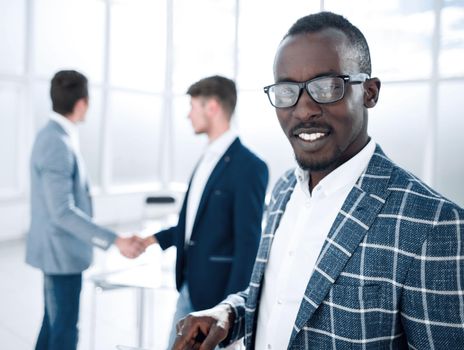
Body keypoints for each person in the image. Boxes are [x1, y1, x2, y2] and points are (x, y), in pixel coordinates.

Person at [172, 12, 464, 350]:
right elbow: (279, 299)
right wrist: (229, 314)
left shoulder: (435, 225)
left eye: (326, 87)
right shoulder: (284, 189)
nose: (303, 109)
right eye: (286, 91)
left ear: (369, 92)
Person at [143, 75, 269, 348]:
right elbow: (196, 225)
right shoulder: (206, 159)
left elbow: (248, 243)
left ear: (212, 107)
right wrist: (154, 240)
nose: (188, 115)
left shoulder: (249, 166)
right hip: (189, 285)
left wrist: (229, 311)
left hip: (218, 297)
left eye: (193, 107)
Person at [26, 70, 146, 350]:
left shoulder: (51, 135)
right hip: (61, 255)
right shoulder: (57, 143)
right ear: (81, 103)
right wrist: (115, 240)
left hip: (55, 252)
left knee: (53, 323)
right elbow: (62, 211)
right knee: (65, 331)